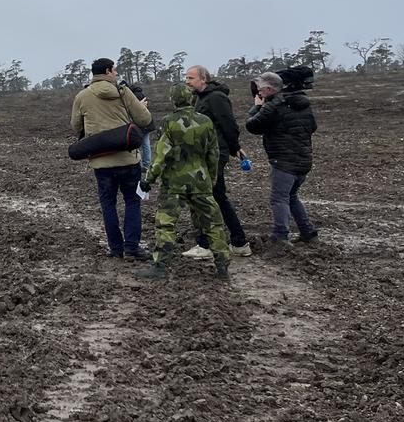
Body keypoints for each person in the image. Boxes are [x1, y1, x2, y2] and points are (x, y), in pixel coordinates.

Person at [134, 84, 231, 281]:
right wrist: (211, 180)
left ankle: (160, 267)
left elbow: (161, 155)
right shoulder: (206, 121)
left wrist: (148, 179)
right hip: (201, 181)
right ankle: (222, 268)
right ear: (191, 98)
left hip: (174, 183)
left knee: (166, 225)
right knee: (213, 224)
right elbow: (214, 154)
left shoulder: (169, 122)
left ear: (173, 100)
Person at [70, 58, 154, 261]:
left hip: (101, 161)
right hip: (128, 160)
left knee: (108, 204)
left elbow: (75, 126)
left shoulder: (82, 96)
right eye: (114, 70)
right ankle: (132, 248)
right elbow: (145, 120)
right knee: (132, 202)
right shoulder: (124, 92)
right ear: (108, 71)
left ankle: (115, 249)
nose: (116, 73)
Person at [184, 64, 252, 258]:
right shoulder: (200, 98)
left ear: (203, 79)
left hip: (214, 155)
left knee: (205, 197)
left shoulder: (216, 98)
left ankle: (206, 245)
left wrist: (235, 148)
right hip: (204, 154)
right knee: (217, 197)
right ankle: (238, 242)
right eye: (186, 78)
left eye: (190, 78)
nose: (186, 81)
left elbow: (229, 125)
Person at [246, 71, 319, 246]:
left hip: (284, 161)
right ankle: (308, 232)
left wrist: (258, 107)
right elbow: (313, 126)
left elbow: (252, 126)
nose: (259, 92)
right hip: (304, 159)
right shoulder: (302, 103)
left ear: (270, 89)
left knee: (279, 199)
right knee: (291, 196)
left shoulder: (274, 106)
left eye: (261, 89)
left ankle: (281, 236)